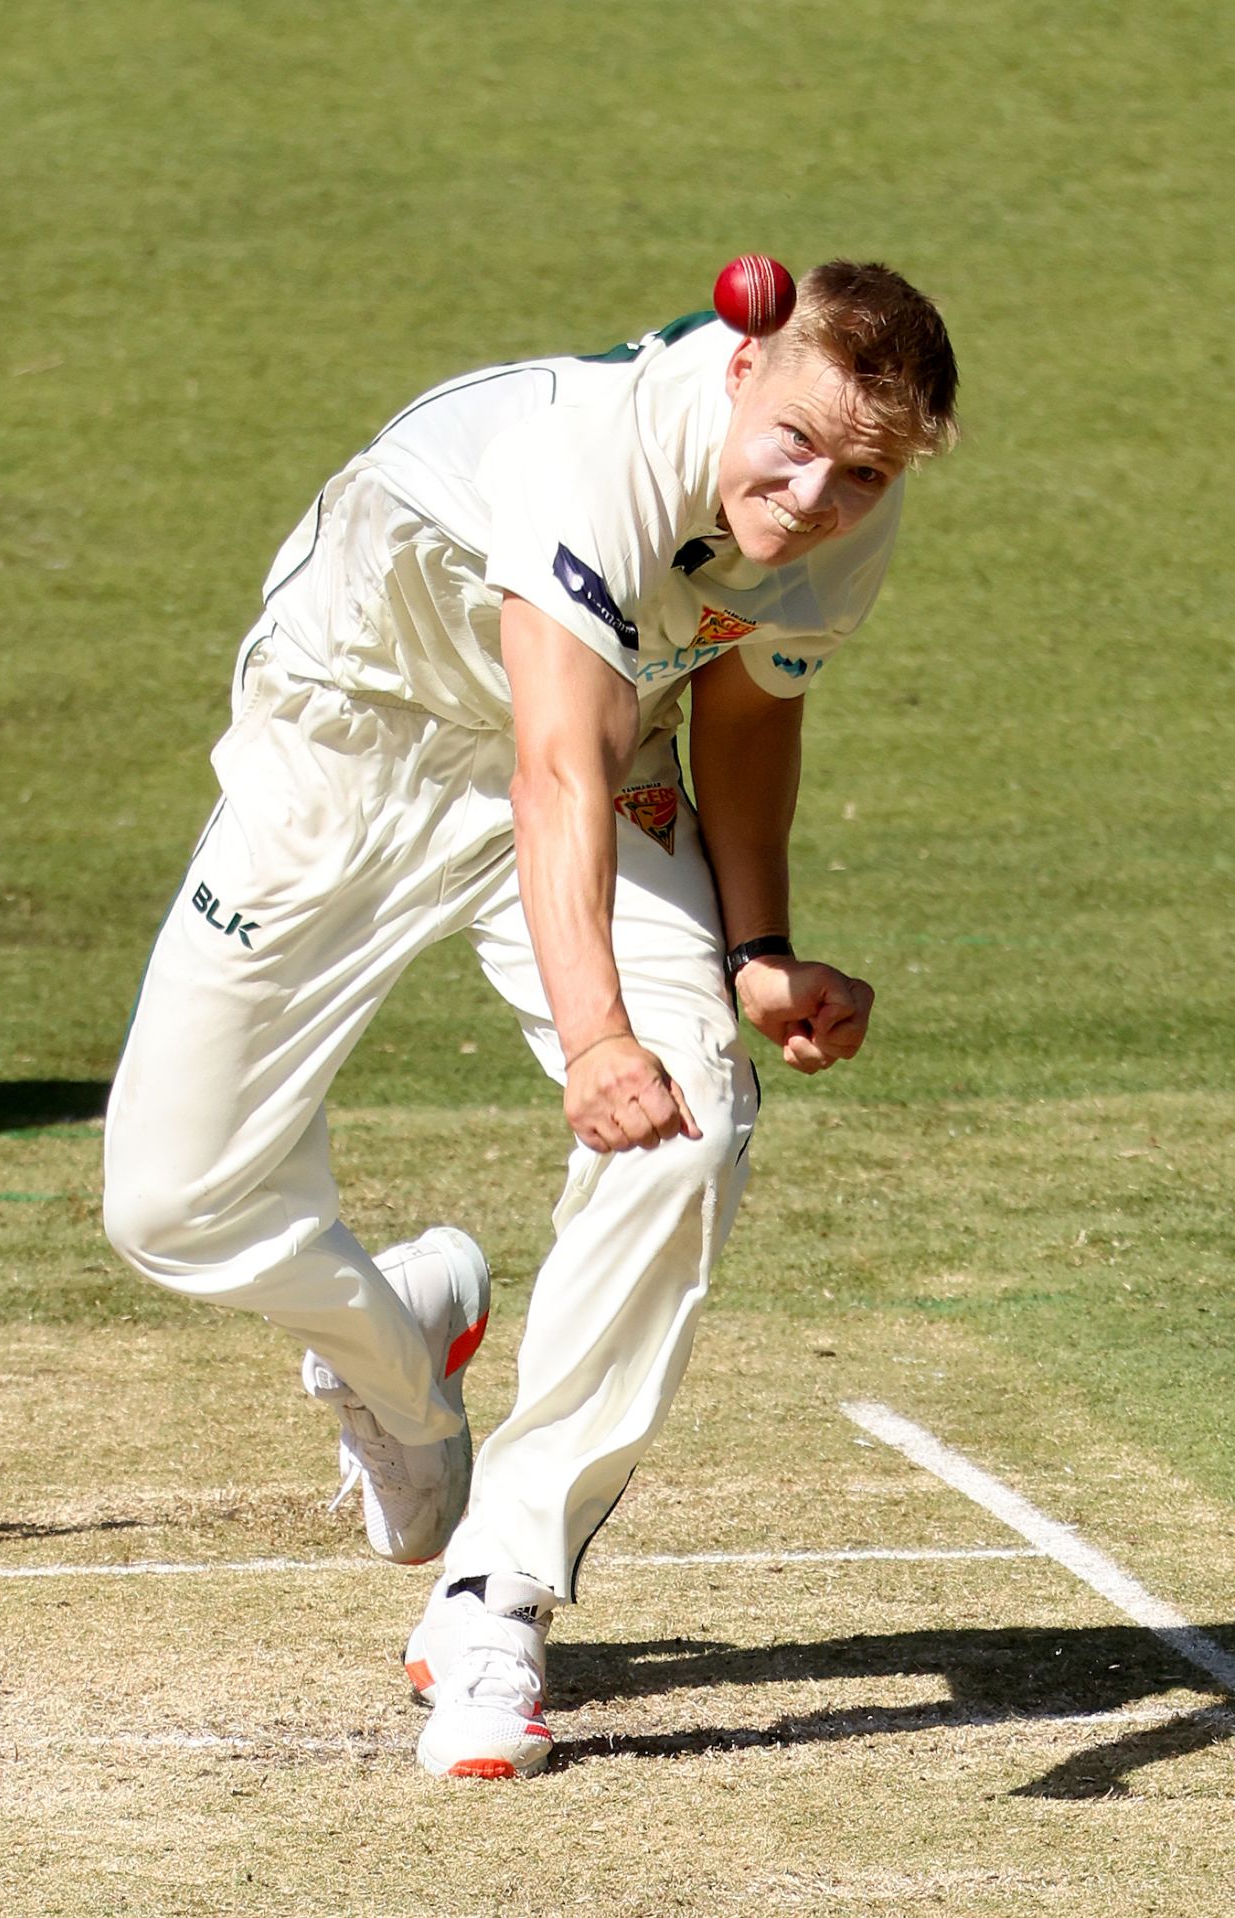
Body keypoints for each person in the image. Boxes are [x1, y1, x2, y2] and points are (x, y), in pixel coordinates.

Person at [104, 259, 958, 1780]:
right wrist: (594, 1039)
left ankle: (499, 1586)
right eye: (799, 443)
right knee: (171, 1205)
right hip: (355, 739)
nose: (817, 493)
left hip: (598, 760)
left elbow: (753, 707)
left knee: (687, 1129)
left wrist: (756, 950)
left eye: (866, 470)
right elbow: (546, 767)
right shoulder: (595, 450)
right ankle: (398, 1353)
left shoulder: (848, 510)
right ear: (741, 365)